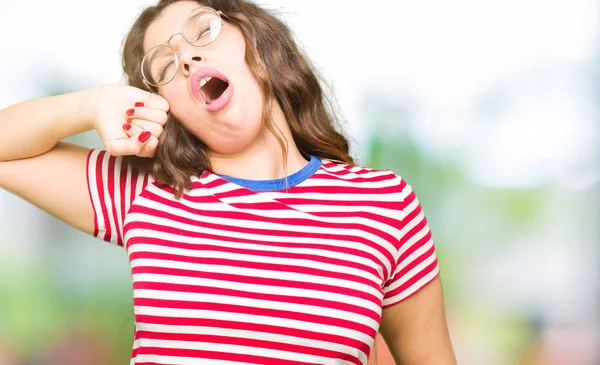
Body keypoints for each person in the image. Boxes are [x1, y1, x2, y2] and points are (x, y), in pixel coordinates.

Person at [0, 0, 456, 364]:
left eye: (203, 31)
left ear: (256, 39)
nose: (186, 58)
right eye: (163, 66)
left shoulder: (384, 205)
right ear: (167, 107)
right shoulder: (147, 192)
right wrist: (91, 104)